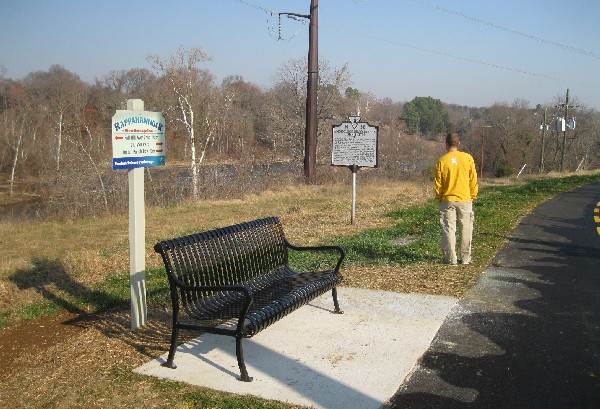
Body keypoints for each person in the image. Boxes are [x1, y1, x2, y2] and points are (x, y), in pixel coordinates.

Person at [435, 132, 478, 265]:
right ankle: (465, 258)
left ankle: (450, 258)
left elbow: (438, 183)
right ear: (459, 144)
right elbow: (473, 179)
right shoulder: (468, 158)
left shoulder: (442, 161)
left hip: (447, 199)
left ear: (446, 144)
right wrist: (473, 194)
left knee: (449, 229)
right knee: (466, 228)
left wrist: (440, 197)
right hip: (465, 198)